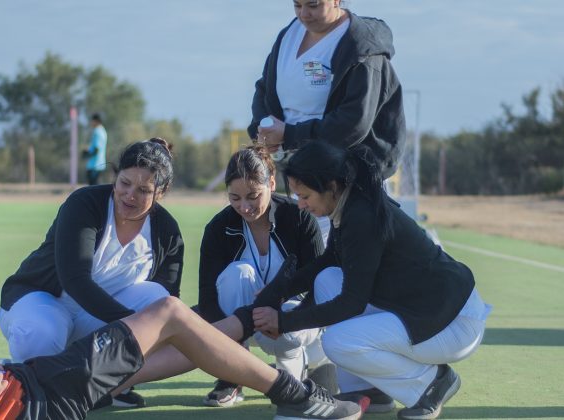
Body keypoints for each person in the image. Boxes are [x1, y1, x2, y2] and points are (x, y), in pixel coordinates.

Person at [0, 260, 362, 420]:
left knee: (171, 348)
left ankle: (242, 331)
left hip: (41, 388)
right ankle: (297, 398)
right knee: (169, 311)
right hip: (43, 392)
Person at [239, 140, 491, 419]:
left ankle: (431, 383)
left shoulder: (362, 217)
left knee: (337, 341)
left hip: (451, 324)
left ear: (332, 187)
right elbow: (328, 261)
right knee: (327, 279)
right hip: (430, 309)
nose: (300, 205)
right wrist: (278, 293)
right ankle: (370, 391)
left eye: (306, 196)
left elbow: (351, 303)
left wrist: (284, 322)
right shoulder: (350, 203)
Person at [0, 138, 183, 407]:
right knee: (41, 333)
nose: (130, 195)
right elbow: (75, 280)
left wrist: (142, 332)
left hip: (95, 320)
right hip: (42, 301)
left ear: (161, 193)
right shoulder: (85, 203)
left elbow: (169, 303)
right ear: (115, 177)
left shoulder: (167, 231)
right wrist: (133, 328)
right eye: (125, 183)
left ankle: (109, 385)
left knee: (158, 298)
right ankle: (31, 387)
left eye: (144, 190)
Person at [247, 0, 406, 242]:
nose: (304, 14)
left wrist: (289, 135)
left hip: (347, 184)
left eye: (313, 5)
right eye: (297, 5)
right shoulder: (289, 35)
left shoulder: (360, 46)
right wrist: (263, 130)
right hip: (301, 178)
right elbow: (264, 88)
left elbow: (354, 123)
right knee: (304, 259)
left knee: (342, 266)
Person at [198, 145, 330, 407]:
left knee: (289, 374)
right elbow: (208, 298)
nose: (244, 207)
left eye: (253, 196)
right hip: (241, 322)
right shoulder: (217, 228)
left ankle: (294, 366)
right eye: (234, 198)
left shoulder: (300, 217)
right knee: (238, 273)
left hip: (292, 316)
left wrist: (278, 304)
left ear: (271, 183)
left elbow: (319, 281)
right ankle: (232, 374)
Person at [82, 113, 108, 186]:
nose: (91, 122)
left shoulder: (97, 131)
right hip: (100, 164)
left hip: (94, 165)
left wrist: (87, 153)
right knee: (96, 188)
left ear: (96, 121)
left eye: (92, 120)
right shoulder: (103, 131)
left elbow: (96, 149)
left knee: (93, 189)